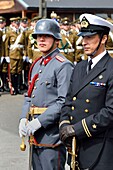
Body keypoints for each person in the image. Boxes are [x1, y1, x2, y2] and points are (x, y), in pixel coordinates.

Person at [59, 13, 113, 170]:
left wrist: (76, 129)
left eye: (90, 37)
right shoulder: (79, 67)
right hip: (77, 147)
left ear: (103, 39)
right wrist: (64, 125)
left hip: (100, 148)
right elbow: (68, 101)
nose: (84, 42)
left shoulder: (110, 68)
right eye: (83, 37)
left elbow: (110, 111)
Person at [19, 18, 74, 170]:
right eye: (38, 36)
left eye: (46, 36)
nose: (41, 39)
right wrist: (23, 117)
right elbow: (29, 95)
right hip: (35, 136)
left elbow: (64, 102)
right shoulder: (38, 64)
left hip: (52, 137)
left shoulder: (63, 65)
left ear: (56, 40)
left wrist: (39, 122)